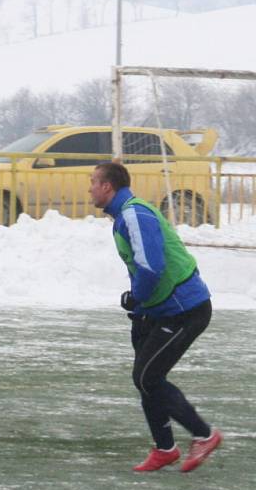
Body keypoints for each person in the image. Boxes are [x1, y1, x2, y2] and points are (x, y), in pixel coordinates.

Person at [89, 162, 222, 472]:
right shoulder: (124, 215)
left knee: (147, 377)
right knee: (147, 379)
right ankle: (165, 449)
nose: (90, 188)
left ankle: (204, 435)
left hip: (185, 310)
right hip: (159, 308)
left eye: (93, 181)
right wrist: (141, 310)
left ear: (108, 187)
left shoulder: (135, 214)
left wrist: (136, 298)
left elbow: (151, 266)